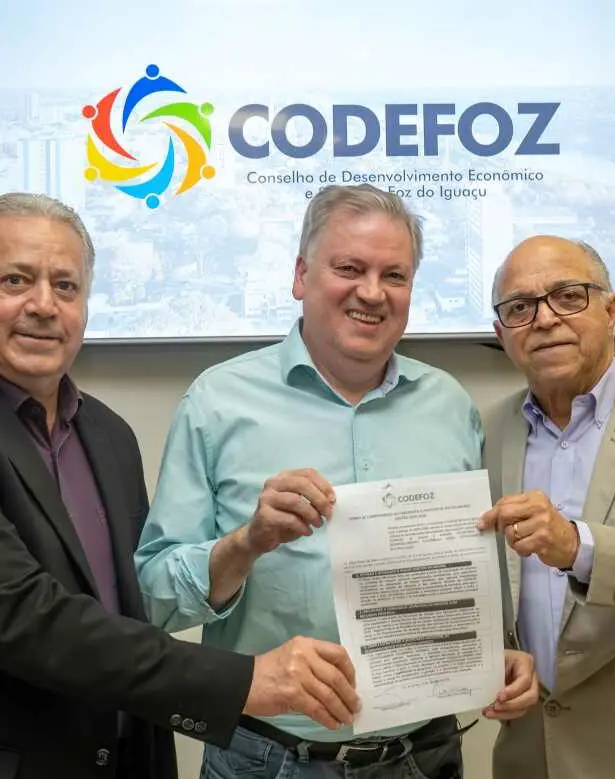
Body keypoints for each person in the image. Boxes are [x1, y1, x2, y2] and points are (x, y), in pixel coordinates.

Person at [136, 183, 539, 779]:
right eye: (349, 268)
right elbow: (153, 599)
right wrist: (245, 543)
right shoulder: (217, 403)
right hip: (268, 760)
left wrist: (496, 652)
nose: (372, 293)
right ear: (301, 276)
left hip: (424, 757)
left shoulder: (450, 406)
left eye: (394, 275)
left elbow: (468, 570)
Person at [0, 192, 360, 779]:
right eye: (15, 280)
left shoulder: (108, 435)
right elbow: (26, 617)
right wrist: (244, 680)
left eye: (65, 286)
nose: (43, 305)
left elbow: (132, 610)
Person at [479, 235, 615, 779]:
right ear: (503, 334)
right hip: (526, 754)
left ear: (612, 310)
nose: (545, 319)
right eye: (520, 308)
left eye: (568, 296)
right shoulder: (487, 431)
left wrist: (578, 547)